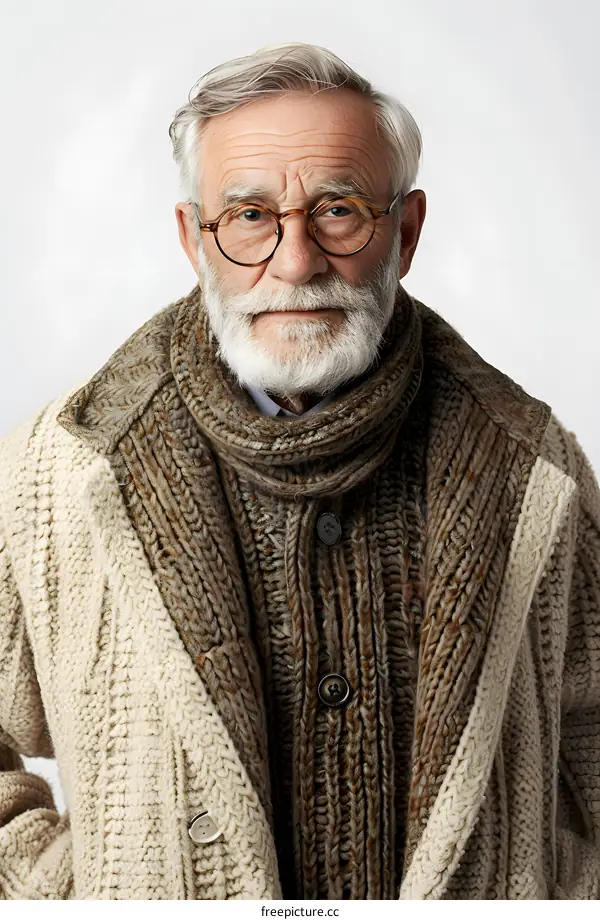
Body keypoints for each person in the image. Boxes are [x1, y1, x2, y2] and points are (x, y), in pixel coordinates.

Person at [0, 42, 598, 901]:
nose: (295, 261)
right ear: (191, 238)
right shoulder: (51, 475)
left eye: (340, 210)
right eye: (248, 216)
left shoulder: (537, 469)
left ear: (408, 229)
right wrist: (57, 893)